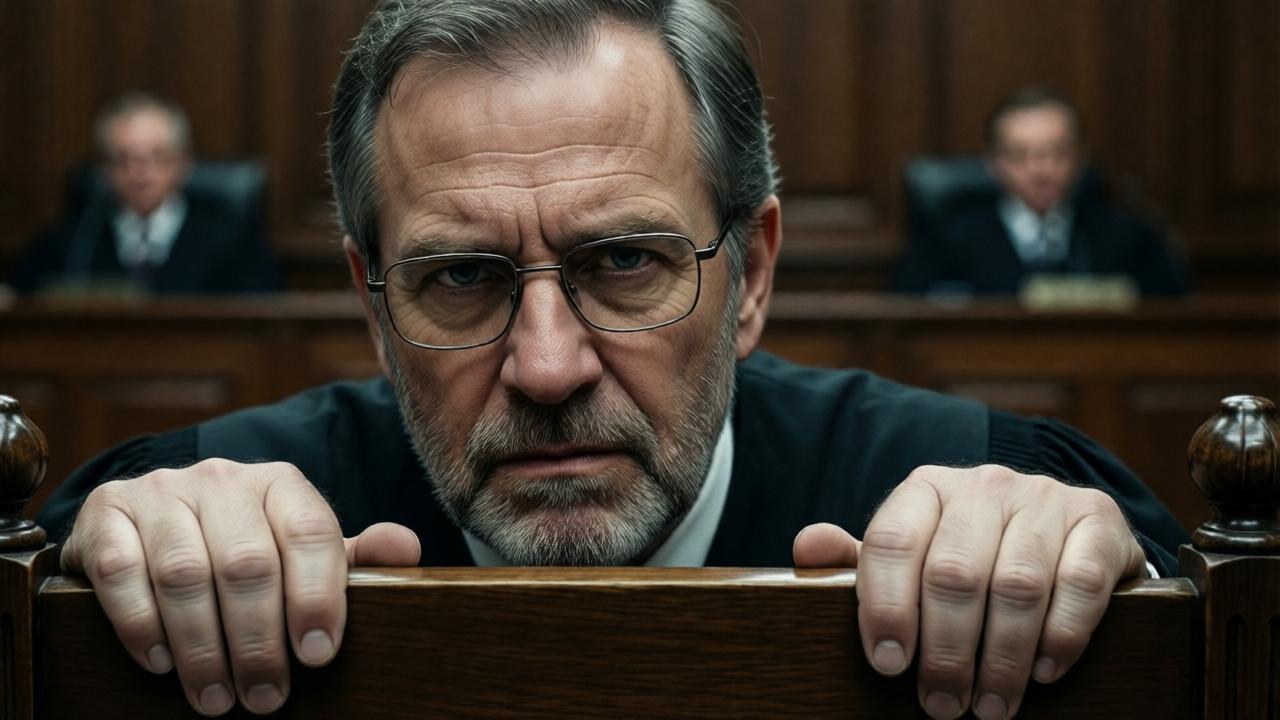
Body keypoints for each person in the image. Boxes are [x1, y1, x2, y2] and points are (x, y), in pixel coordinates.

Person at [37, 3, 1186, 719]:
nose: (546, 368)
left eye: (625, 262)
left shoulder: (948, 474)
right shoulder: (233, 494)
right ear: (373, 308)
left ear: (754, 274)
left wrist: (1103, 560)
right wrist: (102, 547)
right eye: (461, 278)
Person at [892, 86, 1188, 297]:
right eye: (1020, 155)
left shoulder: (1128, 237)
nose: (1040, 170)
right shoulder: (947, 237)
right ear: (994, 162)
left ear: (1081, 157)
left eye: (1057, 153)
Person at [10, 92, 281, 295]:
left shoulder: (233, 241)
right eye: (123, 159)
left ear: (182, 164)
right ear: (103, 169)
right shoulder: (71, 243)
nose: (140, 173)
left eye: (157, 157)